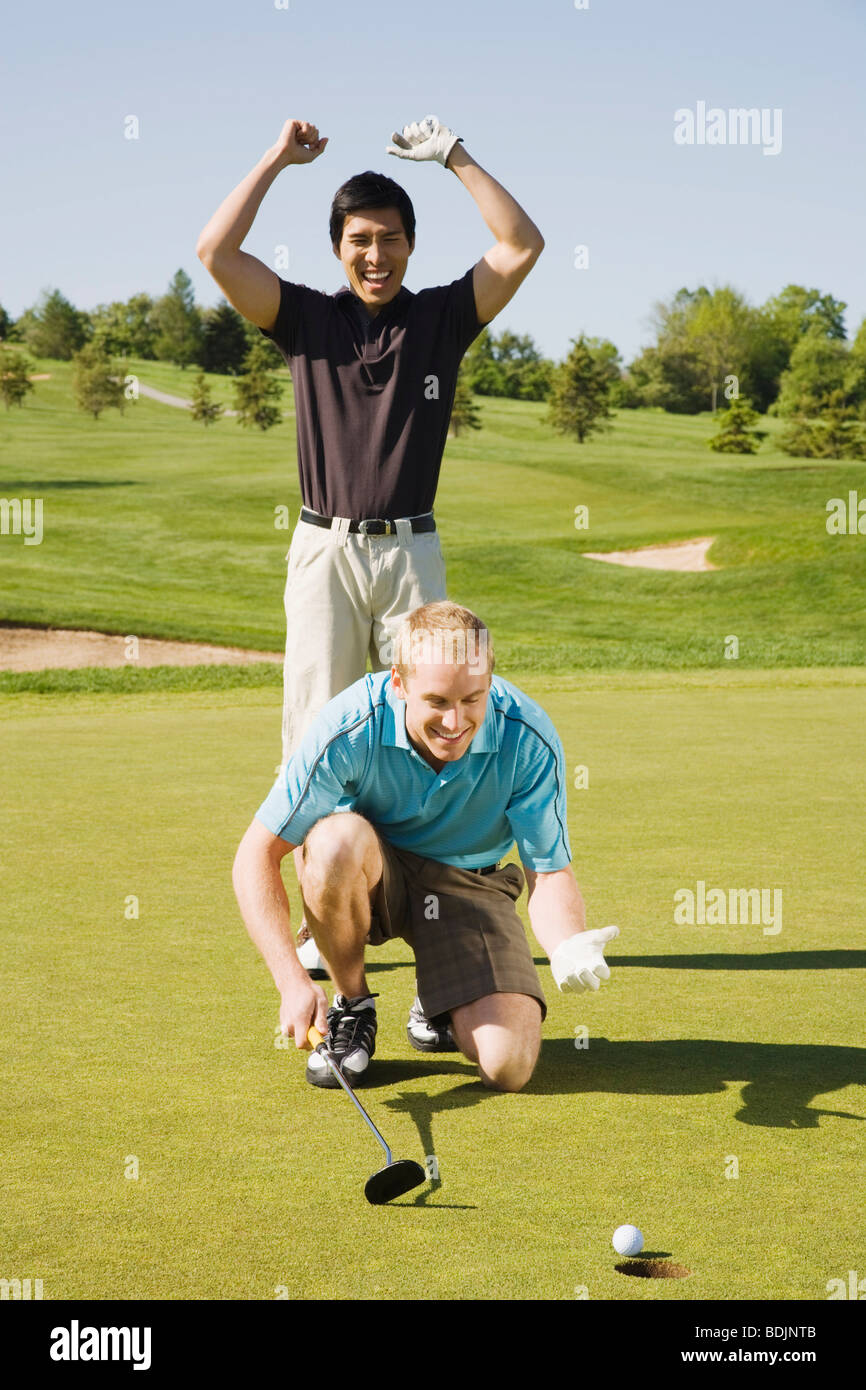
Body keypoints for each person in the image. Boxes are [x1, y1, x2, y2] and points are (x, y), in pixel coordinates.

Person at [197, 115, 545, 1038]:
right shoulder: (306, 317)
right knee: (315, 737)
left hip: (411, 552)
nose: (376, 254)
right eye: (360, 241)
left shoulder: (440, 318)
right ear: (339, 249)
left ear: (411, 244)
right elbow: (214, 250)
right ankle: (325, 944)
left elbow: (521, 244)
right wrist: (275, 155)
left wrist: (457, 155)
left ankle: (435, 933)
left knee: (434, 731)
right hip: (321, 551)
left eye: (391, 238)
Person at [232, 602, 619, 1093]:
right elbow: (256, 855)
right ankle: (353, 1005)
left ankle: (436, 999)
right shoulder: (351, 724)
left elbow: (547, 870)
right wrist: (290, 979)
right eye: (437, 701)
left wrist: (564, 942)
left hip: (469, 884)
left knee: (509, 1067)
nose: (455, 721)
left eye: (473, 699)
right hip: (373, 876)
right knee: (331, 843)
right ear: (399, 683)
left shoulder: (528, 736)